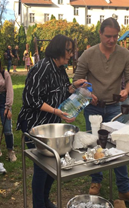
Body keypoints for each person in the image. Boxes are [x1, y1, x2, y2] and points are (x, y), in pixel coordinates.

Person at [74, 17, 129, 206]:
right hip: (93, 107)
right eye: (108, 36)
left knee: (119, 146)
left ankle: (124, 189)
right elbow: (77, 80)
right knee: (95, 143)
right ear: (100, 34)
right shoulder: (88, 55)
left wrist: (126, 90)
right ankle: (96, 180)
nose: (112, 40)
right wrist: (88, 92)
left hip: (114, 106)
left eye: (115, 37)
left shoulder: (124, 54)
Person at [17, 34, 87, 208]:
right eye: (68, 50)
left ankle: (45, 200)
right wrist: (57, 111)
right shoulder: (42, 68)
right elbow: (30, 99)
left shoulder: (60, 68)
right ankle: (39, 204)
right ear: (58, 50)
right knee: (42, 169)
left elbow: (62, 91)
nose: (71, 54)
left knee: (52, 168)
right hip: (36, 125)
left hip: (52, 125)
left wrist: (74, 87)